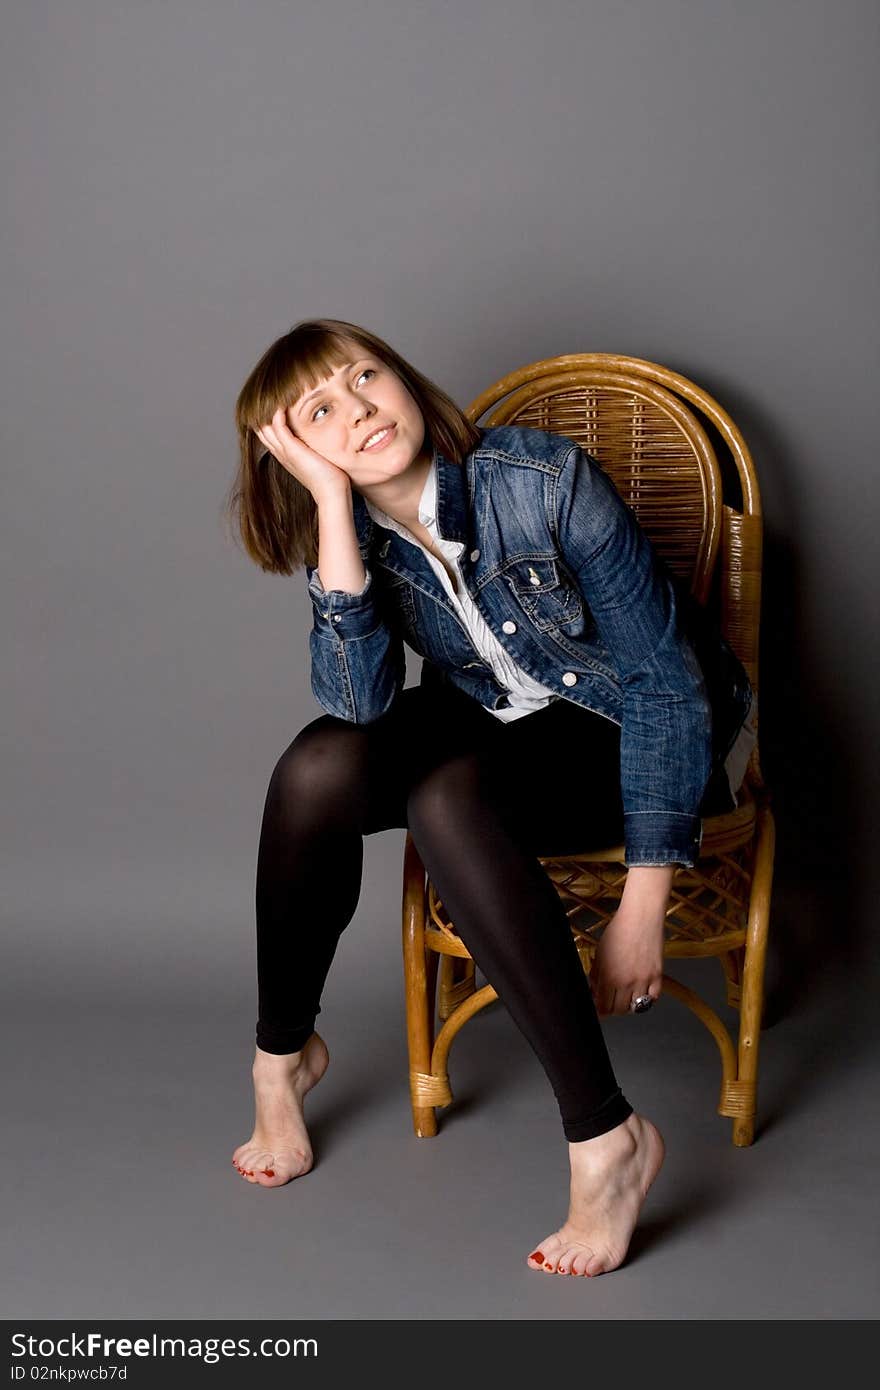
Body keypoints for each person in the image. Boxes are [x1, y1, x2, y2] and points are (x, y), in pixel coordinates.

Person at [225, 317, 757, 1279]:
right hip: (503, 720)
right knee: (317, 769)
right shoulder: (357, 536)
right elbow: (357, 708)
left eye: (367, 377)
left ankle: (607, 1139)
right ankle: (282, 1056)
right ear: (294, 453)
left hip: (626, 726)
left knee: (447, 796)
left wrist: (647, 898)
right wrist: (335, 511)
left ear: (403, 376)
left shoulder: (540, 478)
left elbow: (665, 689)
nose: (361, 410)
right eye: (322, 411)